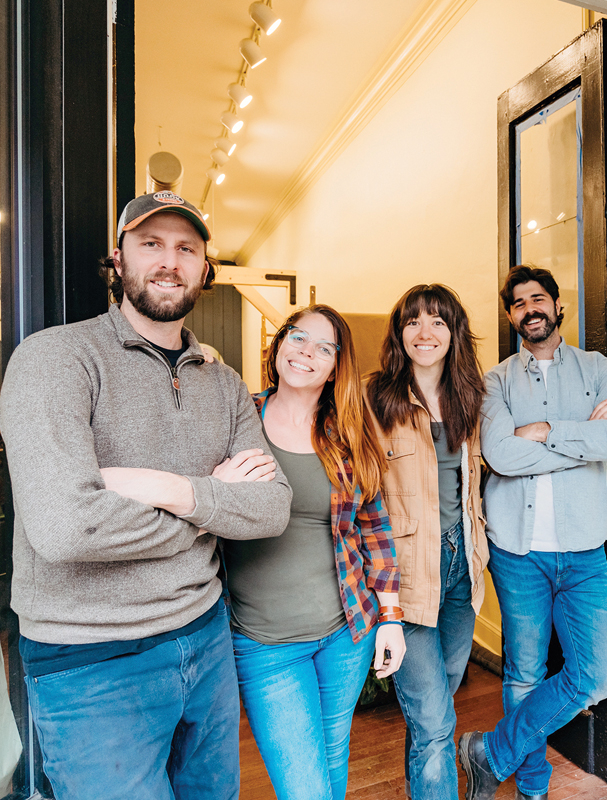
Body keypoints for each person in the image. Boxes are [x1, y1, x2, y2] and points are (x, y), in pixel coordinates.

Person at [0, 191, 293, 800]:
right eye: (151, 244)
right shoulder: (55, 359)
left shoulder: (226, 382)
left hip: (206, 637)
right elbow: (65, 527)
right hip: (91, 663)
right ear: (118, 258)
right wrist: (213, 505)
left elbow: (271, 507)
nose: (170, 261)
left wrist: (161, 488)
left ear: (205, 269)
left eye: (187, 248)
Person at [459, 265, 607, 800]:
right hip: (519, 551)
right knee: (523, 674)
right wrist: (584, 438)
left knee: (599, 676)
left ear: (558, 307)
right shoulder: (495, 380)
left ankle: (491, 753)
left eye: (539, 298)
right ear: (512, 315)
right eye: (518, 302)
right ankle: (531, 788)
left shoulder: (598, 369)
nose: (530, 308)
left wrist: (547, 431)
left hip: (584, 553)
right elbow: (501, 454)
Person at [225, 304, 406, 800]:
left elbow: (374, 528)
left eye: (324, 347)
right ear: (279, 343)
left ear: (334, 369)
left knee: (331, 758)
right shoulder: (238, 420)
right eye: (298, 337)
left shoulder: (347, 436)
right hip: (264, 643)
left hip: (345, 634)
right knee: (304, 787)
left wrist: (390, 618)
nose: (306, 351)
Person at [366, 284, 489, 800]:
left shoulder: (471, 397)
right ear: (399, 332)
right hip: (408, 569)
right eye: (413, 321)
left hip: (462, 562)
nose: (425, 332)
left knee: (447, 686)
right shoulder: (375, 397)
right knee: (435, 722)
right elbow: (356, 486)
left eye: (439, 321)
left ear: (454, 333)